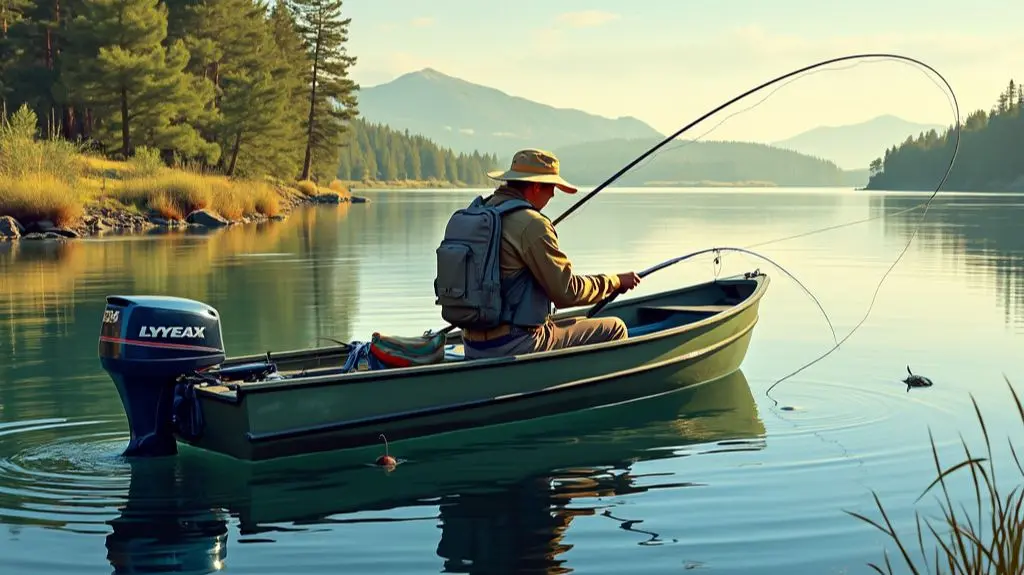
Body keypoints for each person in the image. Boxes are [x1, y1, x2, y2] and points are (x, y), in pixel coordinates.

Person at [452, 148, 641, 359]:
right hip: (515, 344)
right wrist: (614, 281)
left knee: (576, 322)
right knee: (614, 327)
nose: (552, 194)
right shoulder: (533, 224)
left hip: (471, 343)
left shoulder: (479, 213)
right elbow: (567, 292)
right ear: (535, 186)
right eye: (551, 187)